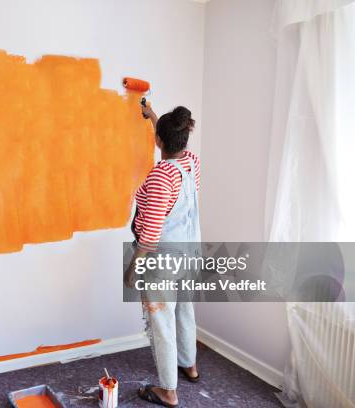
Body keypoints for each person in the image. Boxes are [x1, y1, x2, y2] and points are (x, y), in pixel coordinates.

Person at [124, 103, 201, 407]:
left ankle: (168, 390)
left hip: (162, 259)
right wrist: (155, 118)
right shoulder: (191, 163)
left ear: (159, 141)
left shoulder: (159, 177)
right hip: (189, 254)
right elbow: (174, 148)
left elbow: (151, 234)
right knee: (184, 310)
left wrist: (132, 270)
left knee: (162, 323)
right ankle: (189, 366)